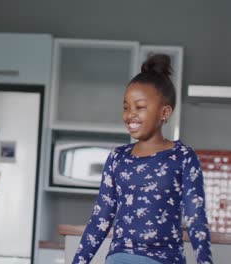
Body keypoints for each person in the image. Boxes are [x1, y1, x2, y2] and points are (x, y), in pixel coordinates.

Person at [72, 54, 213, 264]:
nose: (130, 114)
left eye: (140, 107)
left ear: (164, 112)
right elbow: (100, 219)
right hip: (118, 259)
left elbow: (195, 219)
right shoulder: (117, 158)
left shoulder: (182, 157)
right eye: (126, 107)